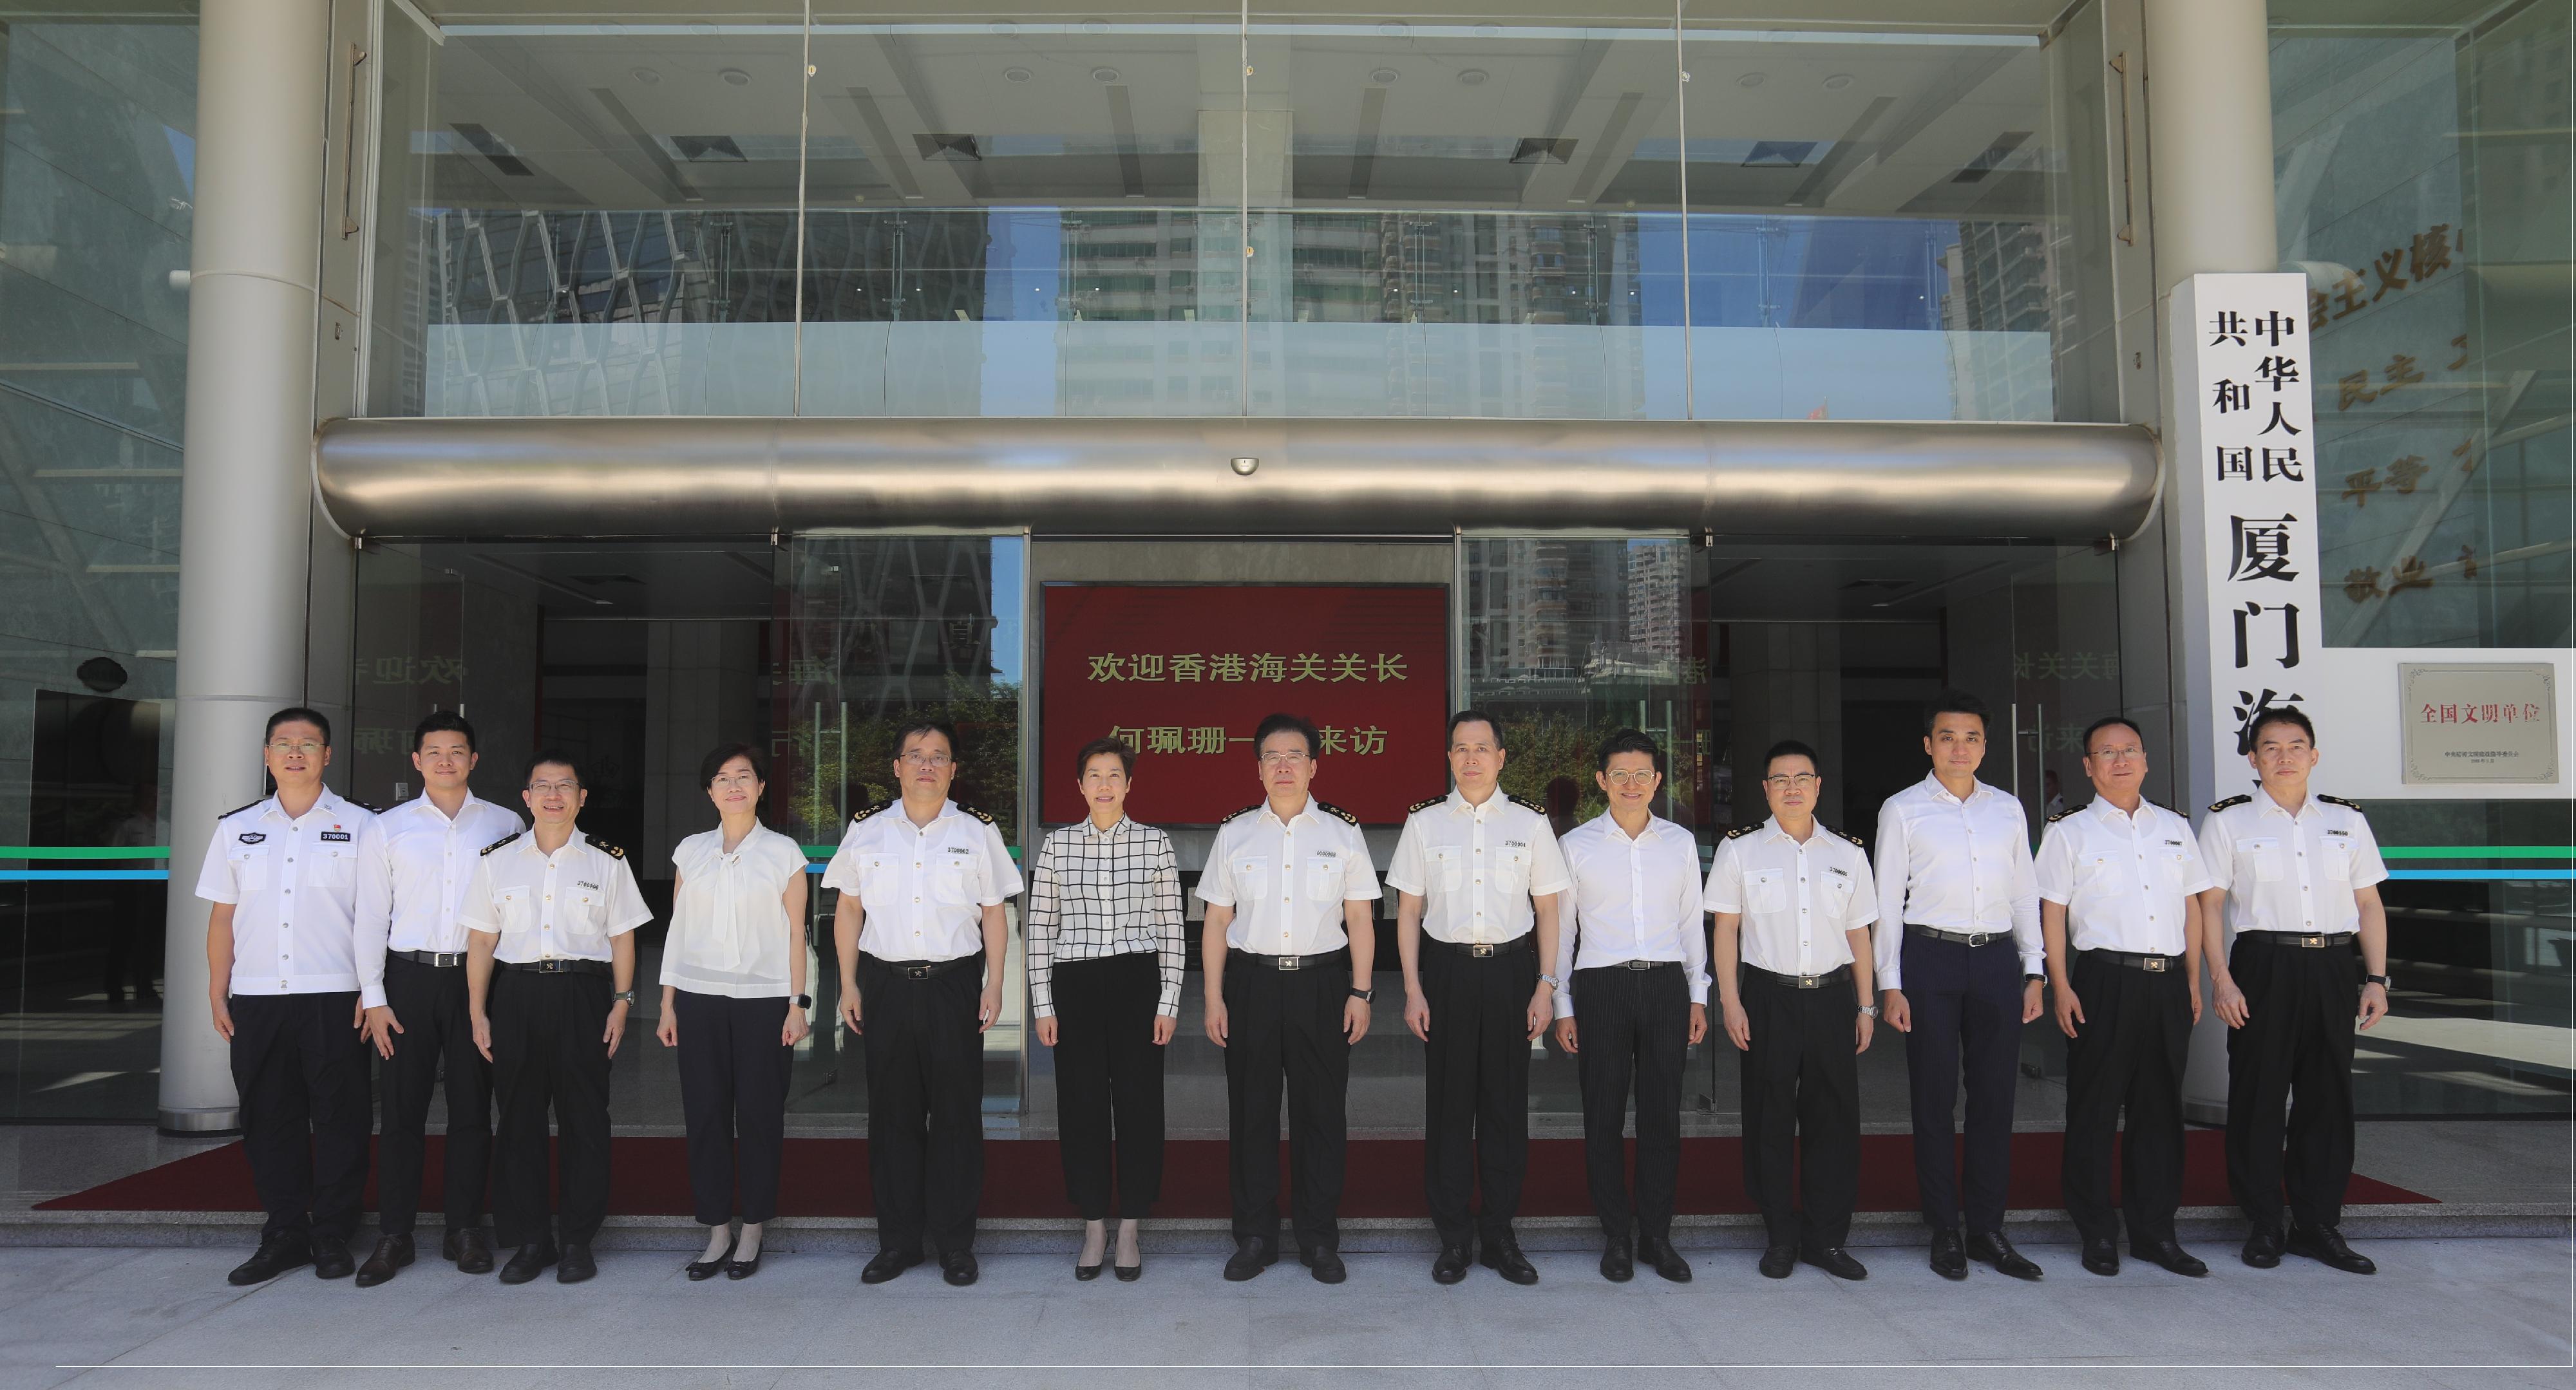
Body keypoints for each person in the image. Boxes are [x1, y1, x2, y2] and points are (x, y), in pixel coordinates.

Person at [824, 719, 1021, 1288]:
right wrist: (849, 982)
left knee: (958, 1116)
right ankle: (899, 1242)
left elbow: (992, 914)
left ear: (954, 769)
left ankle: (956, 1245)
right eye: (916, 755)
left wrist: (994, 983)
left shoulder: (978, 831)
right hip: (884, 983)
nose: (927, 764)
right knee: (892, 1118)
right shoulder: (866, 831)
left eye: (939, 756)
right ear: (897, 767)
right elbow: (848, 911)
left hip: (954, 983)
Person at [2197, 706, 2391, 1276]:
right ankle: (2262, 1220)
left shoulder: (2346, 820)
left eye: (2296, 745)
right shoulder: (2229, 821)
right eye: (2271, 747)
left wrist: (2376, 977)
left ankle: (2316, 1222)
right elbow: (2208, 905)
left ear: (2315, 754)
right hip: (2262, 965)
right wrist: (2220, 976)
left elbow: (2369, 905)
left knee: (2327, 1097)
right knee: (2258, 1095)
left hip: (2333, 964)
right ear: (2253, 759)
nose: (2285, 756)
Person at [196, 707, 377, 1285]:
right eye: (283, 743)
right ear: (268, 754)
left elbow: (378, 917)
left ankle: (332, 1231)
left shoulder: (363, 826)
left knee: (340, 1118)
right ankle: (284, 1231)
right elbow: (223, 917)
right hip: (257, 997)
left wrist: (373, 989)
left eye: (308, 743)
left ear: (328, 755)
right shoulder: (236, 828)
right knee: (268, 1117)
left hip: (335, 994)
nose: (295, 752)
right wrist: (217, 988)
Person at [1387, 708, 1567, 1286]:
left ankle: (1499, 1234)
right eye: (1461, 748)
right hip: (1447, 973)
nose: (1471, 757)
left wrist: (1546, 984)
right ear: (1449, 757)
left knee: (1505, 1108)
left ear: (1501, 757)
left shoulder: (1531, 824)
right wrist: (1413, 988)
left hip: (1513, 972)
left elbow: (1548, 910)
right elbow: (1409, 911)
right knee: (1448, 1108)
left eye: (1482, 747)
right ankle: (1453, 1239)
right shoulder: (1425, 823)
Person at [1198, 711, 1379, 1284]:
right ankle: (1254, 1235)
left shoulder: (1342, 833)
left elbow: (1360, 917)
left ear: (1314, 766)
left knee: (1321, 1114)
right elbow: (1215, 921)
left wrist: (1361, 990)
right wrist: (1212, 997)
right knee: (1251, 1113)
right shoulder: (1235, 833)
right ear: (1258, 768)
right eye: (1272, 756)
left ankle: (1319, 1237)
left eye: (1294, 755)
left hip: (1322, 984)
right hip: (1250, 984)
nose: (1283, 765)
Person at [1874, 689, 2045, 1282]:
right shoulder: (1902, 809)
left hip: (1997, 959)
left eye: (1971, 737)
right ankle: (1944, 1226)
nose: (1959, 747)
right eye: (1947, 736)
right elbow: (1887, 903)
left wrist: (2034, 968)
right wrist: (1889, 983)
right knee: (1934, 1096)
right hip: (1930, 958)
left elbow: (2024, 892)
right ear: (1928, 744)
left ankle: (1987, 1228)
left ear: (1984, 745)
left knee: (1995, 1099)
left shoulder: (2008, 808)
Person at [2036, 716, 2215, 1279]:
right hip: (2102, 979)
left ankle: (2155, 1231)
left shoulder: (2175, 827)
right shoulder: (2069, 832)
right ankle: (2096, 1232)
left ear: (2146, 759)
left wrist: (2192, 980)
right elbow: (2053, 913)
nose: (2120, 760)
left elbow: (2192, 906)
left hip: (2167, 982)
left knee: (2159, 1109)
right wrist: (2059, 983)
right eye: (2106, 752)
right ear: (2088, 766)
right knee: (2094, 1107)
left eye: (2129, 750)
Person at [462, 751, 649, 1286]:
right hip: (516, 993)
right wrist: (478, 1008)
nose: (552, 794)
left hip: (583, 994)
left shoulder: (606, 860)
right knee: (518, 1119)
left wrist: (622, 1001)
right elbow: (481, 940)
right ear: (526, 797)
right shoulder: (497, 860)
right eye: (541, 785)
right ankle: (530, 1240)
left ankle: (576, 1240)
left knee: (585, 1120)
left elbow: (622, 937)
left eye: (564, 785)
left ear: (581, 797)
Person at [351, 711, 524, 1286]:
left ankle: (464, 1228)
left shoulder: (505, 822)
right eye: (434, 751)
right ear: (417, 760)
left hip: (478, 983)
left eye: (457, 751)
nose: (446, 760)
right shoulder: (388, 827)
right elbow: (372, 915)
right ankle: (395, 1233)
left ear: (474, 760)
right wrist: (374, 996)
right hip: (408, 980)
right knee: (401, 1110)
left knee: (474, 1109)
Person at [1705, 739, 1877, 1282]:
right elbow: (1726, 931)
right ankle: (1779, 1234)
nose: (1792, 787)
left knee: (1834, 1121)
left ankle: (1827, 1239)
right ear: (1765, 789)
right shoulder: (1740, 850)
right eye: (1781, 779)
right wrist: (1730, 1002)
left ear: (1819, 785)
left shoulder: (1847, 854)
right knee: (1768, 1119)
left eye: (1802, 777)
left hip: (1830, 996)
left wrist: (1866, 1003)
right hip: (1767, 996)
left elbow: (1860, 934)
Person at [1551, 728, 1709, 1285]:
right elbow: (1564, 932)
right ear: (1601, 780)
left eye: (1643, 774)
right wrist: (1562, 1003)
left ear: (1658, 780)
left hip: (1667, 984)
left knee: (1663, 1114)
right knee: (1604, 1114)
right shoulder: (1577, 846)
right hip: (1601, 987)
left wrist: (1698, 993)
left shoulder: (1679, 843)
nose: (1632, 784)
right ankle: (1616, 1235)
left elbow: (1693, 924)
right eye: (1620, 774)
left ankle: (1657, 1236)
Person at [1027, 736, 1183, 1282]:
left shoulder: (1154, 842)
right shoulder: (1057, 845)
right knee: (1082, 1104)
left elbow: (1170, 927)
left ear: (1129, 783)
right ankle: (1094, 1224)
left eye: (1114, 774)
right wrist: (1043, 1003)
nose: (1104, 784)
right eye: (1094, 774)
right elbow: (1041, 927)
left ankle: (1132, 1226)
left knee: (1140, 1104)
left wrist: (1169, 1000)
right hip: (1075, 983)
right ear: (1079, 785)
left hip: (1138, 980)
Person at [656, 744, 810, 1281]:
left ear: (762, 787)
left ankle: (753, 1230)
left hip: (765, 1001)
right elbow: (677, 929)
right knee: (705, 1114)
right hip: (698, 998)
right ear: (710, 791)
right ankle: (717, 1228)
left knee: (761, 1116)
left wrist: (797, 1003)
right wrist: (668, 1003)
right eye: (722, 778)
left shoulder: (784, 852)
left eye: (744, 776)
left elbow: (797, 933)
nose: (734, 785)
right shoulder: (690, 851)